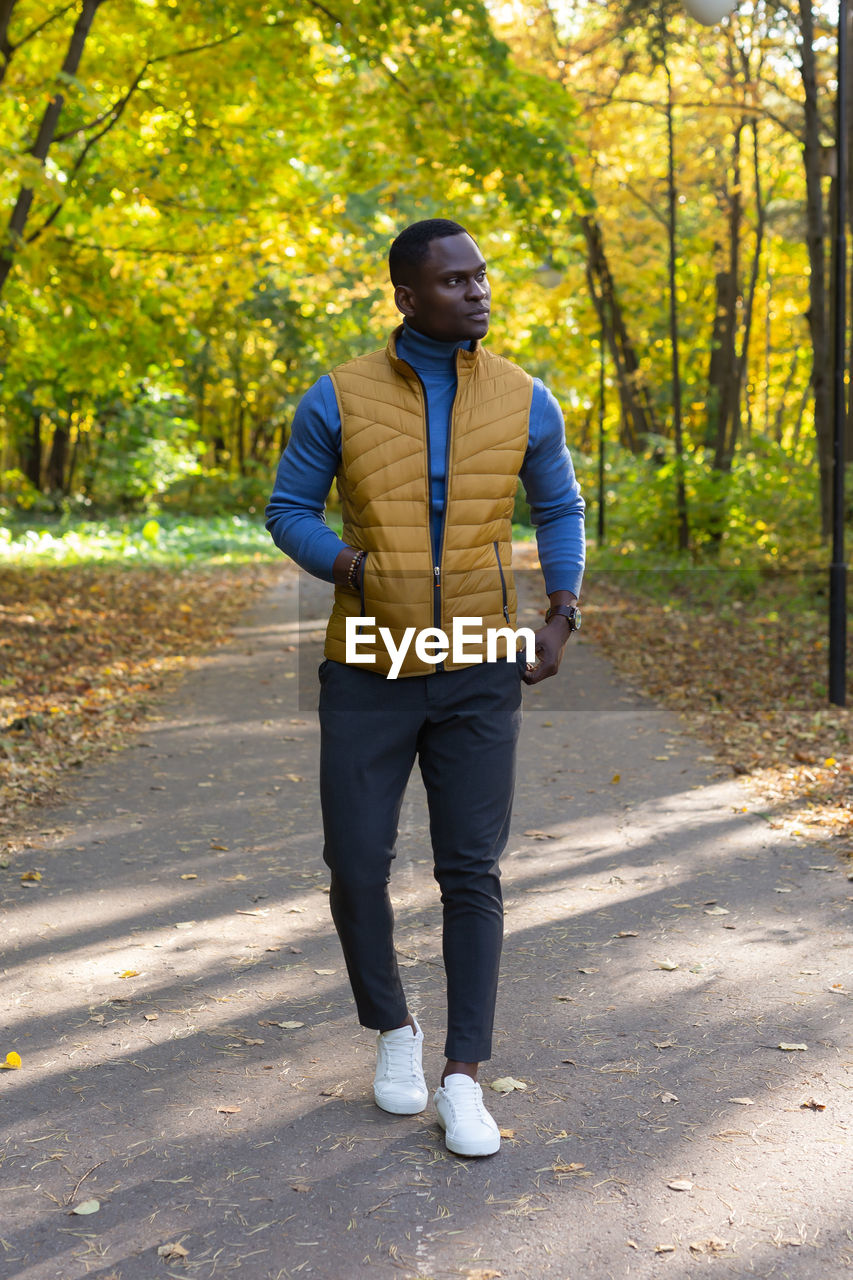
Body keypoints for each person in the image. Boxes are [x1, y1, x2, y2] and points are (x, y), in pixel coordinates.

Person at [265, 218, 585, 1158]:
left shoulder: (526, 397)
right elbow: (288, 509)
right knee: (357, 864)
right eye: (454, 281)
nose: (478, 291)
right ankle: (394, 1033)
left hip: (481, 658)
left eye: (481, 277)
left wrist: (561, 615)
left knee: (470, 871)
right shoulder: (337, 396)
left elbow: (559, 505)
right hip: (366, 653)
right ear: (407, 296)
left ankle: (463, 1077)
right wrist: (352, 567)